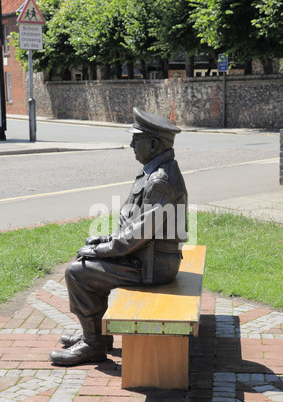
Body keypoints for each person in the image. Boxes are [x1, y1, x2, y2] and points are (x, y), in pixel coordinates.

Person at [49, 107, 188, 366]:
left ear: (154, 143)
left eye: (137, 139)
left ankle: (93, 345)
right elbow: (134, 225)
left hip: (152, 266)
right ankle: (98, 335)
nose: (131, 144)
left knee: (78, 272)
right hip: (147, 256)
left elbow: (137, 236)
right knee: (89, 265)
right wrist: (103, 240)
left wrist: (102, 250)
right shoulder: (155, 170)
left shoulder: (160, 181)